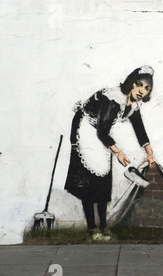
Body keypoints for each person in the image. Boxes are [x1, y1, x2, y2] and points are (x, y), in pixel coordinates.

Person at [64, 65, 156, 240]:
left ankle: (104, 228)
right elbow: (101, 132)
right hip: (85, 128)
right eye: (139, 84)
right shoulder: (113, 100)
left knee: (104, 178)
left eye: (146, 88)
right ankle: (92, 229)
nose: (141, 90)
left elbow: (140, 130)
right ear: (131, 82)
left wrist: (149, 152)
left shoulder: (133, 104)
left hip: (100, 130)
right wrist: (119, 153)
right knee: (90, 179)